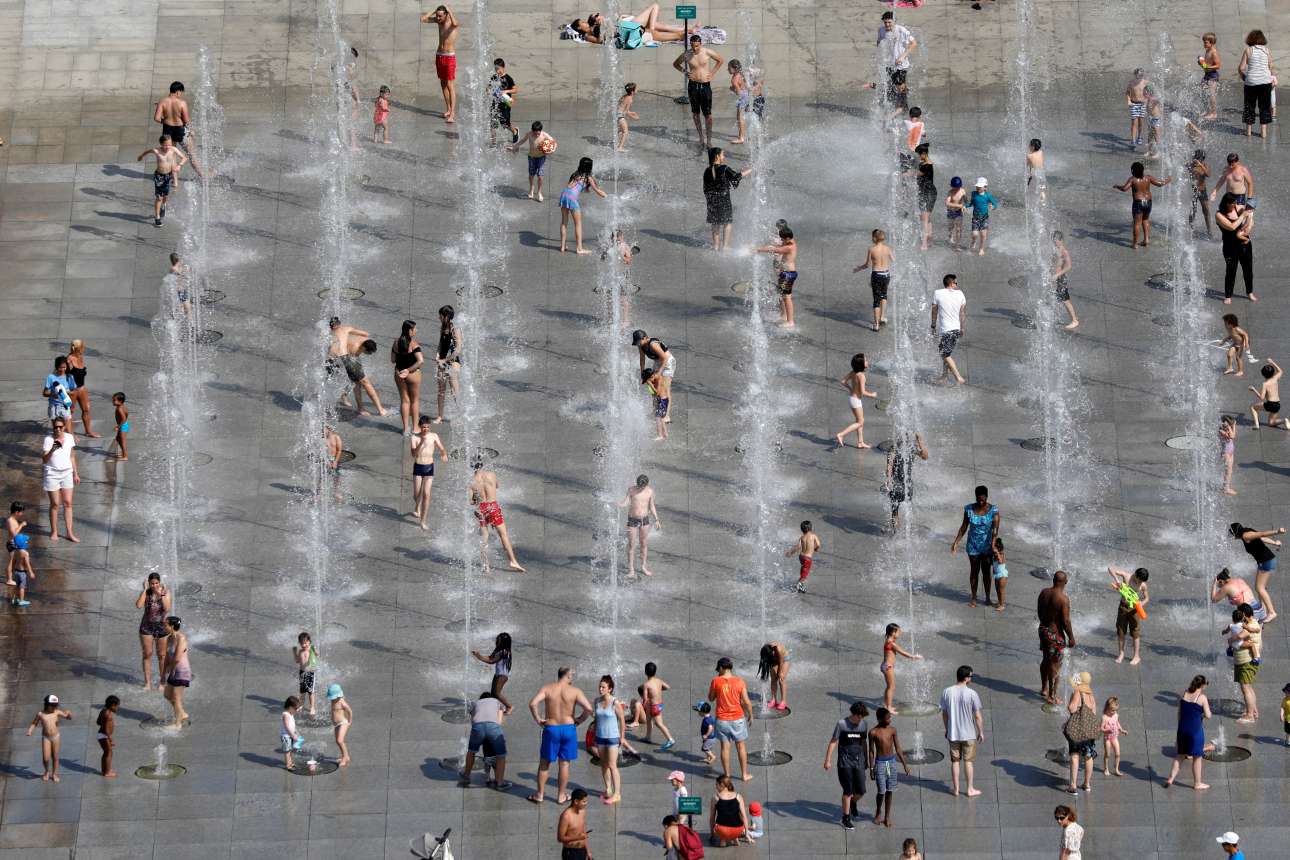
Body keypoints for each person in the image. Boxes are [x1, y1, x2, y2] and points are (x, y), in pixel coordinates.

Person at [528, 667, 593, 804]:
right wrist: (579, 720)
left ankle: (540, 795)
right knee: (564, 764)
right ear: (568, 675)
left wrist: (538, 719)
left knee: (544, 763)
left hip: (552, 728)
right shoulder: (575, 691)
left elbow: (533, 703)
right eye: (572, 675)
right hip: (569, 728)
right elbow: (588, 708)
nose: (572, 678)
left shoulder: (547, 688)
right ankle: (561, 796)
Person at [469, 457, 524, 572]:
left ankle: (486, 565)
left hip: (481, 509)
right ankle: (513, 561)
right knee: (503, 535)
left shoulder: (471, 482)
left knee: (484, 538)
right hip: (493, 507)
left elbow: (471, 502)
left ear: (471, 466)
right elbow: (497, 486)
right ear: (482, 464)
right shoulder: (491, 475)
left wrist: (476, 497)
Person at [951, 485, 1000, 607]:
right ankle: (973, 598)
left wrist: (993, 545)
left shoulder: (993, 511)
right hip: (973, 545)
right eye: (978, 499)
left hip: (987, 545)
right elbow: (964, 527)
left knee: (986, 572)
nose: (980, 502)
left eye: (983, 500)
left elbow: (995, 530)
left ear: (987, 497)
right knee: (974, 571)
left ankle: (987, 598)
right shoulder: (969, 509)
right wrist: (956, 542)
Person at [823, 701, 870, 830]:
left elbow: (863, 742)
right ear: (853, 714)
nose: (861, 719)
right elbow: (833, 741)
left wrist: (866, 759)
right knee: (848, 790)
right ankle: (846, 817)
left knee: (861, 791)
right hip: (845, 762)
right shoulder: (841, 724)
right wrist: (828, 760)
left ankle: (853, 802)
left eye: (863, 717)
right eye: (859, 716)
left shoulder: (864, 724)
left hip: (859, 761)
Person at [673, 34, 723, 151]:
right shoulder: (687, 54)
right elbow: (675, 64)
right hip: (693, 85)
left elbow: (720, 60)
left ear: (700, 44)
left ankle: (709, 140)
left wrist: (713, 72)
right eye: (692, 46)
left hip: (705, 86)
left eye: (696, 46)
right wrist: (685, 71)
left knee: (708, 115)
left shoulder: (707, 52)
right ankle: (701, 137)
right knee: (695, 113)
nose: (694, 48)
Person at [327, 318, 386, 416]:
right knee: (364, 382)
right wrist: (356, 338)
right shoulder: (346, 329)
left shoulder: (328, 334)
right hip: (344, 357)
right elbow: (366, 334)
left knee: (353, 381)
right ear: (340, 324)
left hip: (331, 360)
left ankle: (344, 396)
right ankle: (377, 409)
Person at [592, 675, 637, 803]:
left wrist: (622, 737)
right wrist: (594, 734)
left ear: (610, 689)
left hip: (612, 737)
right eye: (600, 686)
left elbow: (622, 720)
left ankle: (617, 794)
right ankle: (608, 789)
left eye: (603, 687)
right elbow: (597, 719)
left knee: (612, 765)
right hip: (600, 737)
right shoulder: (596, 701)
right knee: (603, 764)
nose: (600, 689)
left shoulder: (614, 702)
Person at [940, 665, 983, 797]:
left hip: (953, 733)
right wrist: (981, 732)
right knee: (968, 762)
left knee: (955, 761)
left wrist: (947, 729)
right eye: (971, 676)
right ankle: (970, 789)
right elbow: (977, 716)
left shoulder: (946, 692)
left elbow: (944, 714)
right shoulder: (972, 694)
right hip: (969, 734)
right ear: (966, 678)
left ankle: (956, 789)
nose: (971, 678)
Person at [708, 656, 753, 781]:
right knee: (741, 747)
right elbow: (747, 702)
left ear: (721, 668)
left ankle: (727, 775)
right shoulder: (739, 681)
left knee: (725, 748)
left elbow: (711, 698)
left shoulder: (716, 681)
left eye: (718, 669)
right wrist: (751, 715)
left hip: (722, 720)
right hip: (738, 719)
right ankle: (744, 775)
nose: (718, 671)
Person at [1165, 674, 1212, 790]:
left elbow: (1179, 713)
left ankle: (1170, 778)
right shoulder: (1202, 697)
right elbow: (1208, 715)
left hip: (1182, 729)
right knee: (1197, 757)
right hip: (1195, 732)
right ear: (1202, 685)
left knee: (1180, 756)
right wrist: (1202, 715)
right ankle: (1197, 783)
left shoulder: (1184, 693)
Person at [1231, 520, 1283, 621]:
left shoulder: (1246, 535)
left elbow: (1262, 534)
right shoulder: (1246, 533)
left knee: (1260, 588)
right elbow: (1261, 538)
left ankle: (1272, 612)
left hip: (1266, 561)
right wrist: (1275, 543)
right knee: (1260, 587)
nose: (1232, 536)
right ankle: (1263, 608)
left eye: (1232, 533)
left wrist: (1277, 532)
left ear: (1236, 533)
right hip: (1266, 560)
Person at [1038, 571, 1076, 705]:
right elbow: (1066, 621)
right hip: (1055, 635)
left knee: (1045, 659)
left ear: (1053, 580)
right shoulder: (1063, 599)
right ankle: (1052, 695)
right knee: (1055, 665)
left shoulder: (1044, 592)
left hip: (1043, 630)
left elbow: (1039, 612)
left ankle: (1044, 688)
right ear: (1065, 582)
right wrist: (1071, 637)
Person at [1113, 161, 1170, 249]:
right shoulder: (1148, 177)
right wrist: (1168, 179)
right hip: (1148, 202)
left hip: (1138, 203)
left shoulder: (1132, 179)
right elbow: (1160, 184)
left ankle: (1135, 244)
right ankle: (1146, 240)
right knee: (1146, 220)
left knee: (1137, 223)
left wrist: (1117, 186)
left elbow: (1124, 189)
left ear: (1133, 171)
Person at [867, 706, 909, 826]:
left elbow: (898, 748)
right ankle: (878, 811)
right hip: (880, 763)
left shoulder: (892, 730)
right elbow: (871, 751)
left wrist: (905, 764)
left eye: (890, 717)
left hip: (891, 763)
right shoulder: (873, 732)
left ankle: (887, 816)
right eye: (887, 718)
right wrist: (871, 768)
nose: (890, 720)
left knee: (890, 790)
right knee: (881, 791)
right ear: (880, 719)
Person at [702, 147, 750, 251]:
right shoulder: (724, 168)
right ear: (717, 156)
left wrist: (710, 200)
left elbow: (705, 188)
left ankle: (715, 246)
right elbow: (736, 177)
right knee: (727, 222)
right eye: (723, 155)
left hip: (712, 200)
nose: (724, 157)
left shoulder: (707, 170)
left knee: (715, 223)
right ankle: (725, 247)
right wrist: (750, 170)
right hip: (724, 200)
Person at [136, 134, 187, 227]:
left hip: (168, 176)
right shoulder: (156, 151)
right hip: (159, 176)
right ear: (161, 144)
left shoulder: (173, 149)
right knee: (159, 197)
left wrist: (179, 165)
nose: (168, 147)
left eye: (169, 144)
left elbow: (184, 158)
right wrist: (141, 156)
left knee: (165, 196)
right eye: (165, 145)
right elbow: (148, 151)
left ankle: (164, 205)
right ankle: (157, 217)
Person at [559, 157, 607, 255]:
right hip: (572, 199)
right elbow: (597, 190)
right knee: (578, 224)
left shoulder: (575, 174)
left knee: (564, 222)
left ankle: (563, 246)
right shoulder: (588, 178)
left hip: (564, 194)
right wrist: (608, 196)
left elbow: (571, 186)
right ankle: (579, 249)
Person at [41, 417, 79, 542]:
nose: (58, 429)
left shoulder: (69, 438)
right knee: (55, 504)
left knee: (68, 502)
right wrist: (53, 448)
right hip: (52, 474)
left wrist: (75, 473)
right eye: (55, 427)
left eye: (60, 427)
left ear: (64, 427)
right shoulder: (48, 439)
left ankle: (69, 532)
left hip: (67, 472)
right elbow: (44, 460)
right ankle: (54, 531)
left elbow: (72, 456)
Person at [153, 81, 202, 176]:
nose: (181, 95)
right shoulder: (182, 103)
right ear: (178, 91)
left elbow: (157, 118)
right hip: (180, 130)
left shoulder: (162, 102)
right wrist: (191, 131)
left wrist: (165, 121)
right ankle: (202, 175)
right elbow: (186, 121)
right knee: (192, 155)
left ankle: (171, 176)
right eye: (181, 92)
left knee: (171, 155)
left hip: (167, 130)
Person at [420, 6, 459, 122]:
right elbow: (423, 19)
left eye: (440, 16)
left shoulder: (451, 23)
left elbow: (456, 24)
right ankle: (448, 109)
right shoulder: (438, 21)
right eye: (437, 16)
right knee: (443, 83)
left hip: (449, 57)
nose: (438, 18)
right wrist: (434, 11)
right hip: (439, 55)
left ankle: (452, 113)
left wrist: (449, 11)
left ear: (446, 14)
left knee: (450, 84)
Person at [616, 474, 660, 577]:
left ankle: (643, 567)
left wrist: (657, 519)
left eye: (642, 487)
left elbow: (652, 506)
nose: (640, 489)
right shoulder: (631, 490)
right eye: (639, 486)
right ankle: (631, 570)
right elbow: (626, 502)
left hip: (644, 520)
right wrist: (620, 504)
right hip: (632, 520)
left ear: (646, 485)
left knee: (643, 544)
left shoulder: (650, 492)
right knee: (631, 545)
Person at [1062, 671, 1098, 795]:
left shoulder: (1078, 692)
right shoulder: (1090, 695)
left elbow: (1072, 708)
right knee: (1088, 755)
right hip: (1089, 729)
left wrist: (1073, 705)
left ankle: (1073, 786)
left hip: (1077, 729)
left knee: (1075, 755)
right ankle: (1086, 784)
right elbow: (1094, 712)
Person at [755, 225, 798, 328]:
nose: (781, 241)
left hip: (788, 274)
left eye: (782, 239)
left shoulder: (789, 247)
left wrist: (758, 249)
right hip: (786, 274)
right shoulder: (791, 241)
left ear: (787, 238)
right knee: (783, 297)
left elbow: (775, 250)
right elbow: (778, 245)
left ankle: (790, 321)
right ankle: (784, 316)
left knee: (787, 298)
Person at [885, 431, 928, 532]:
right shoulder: (906, 448)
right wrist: (920, 442)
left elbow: (889, 468)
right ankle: (901, 532)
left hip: (902, 484)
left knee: (897, 510)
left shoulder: (900, 448)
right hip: (903, 484)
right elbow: (925, 456)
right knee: (904, 509)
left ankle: (897, 532)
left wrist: (889, 480)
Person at [410, 416, 448, 530]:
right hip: (418, 467)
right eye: (423, 427)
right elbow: (413, 454)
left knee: (426, 494)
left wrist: (443, 453)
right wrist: (421, 442)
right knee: (417, 495)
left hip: (429, 467)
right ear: (419, 427)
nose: (425, 429)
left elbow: (442, 448)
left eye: (427, 427)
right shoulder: (414, 437)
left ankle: (423, 520)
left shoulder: (434, 436)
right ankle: (417, 506)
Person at [1216, 194, 1255, 304]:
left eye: (1235, 202)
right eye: (1232, 203)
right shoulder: (1219, 215)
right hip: (1230, 246)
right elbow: (1231, 227)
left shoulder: (1238, 208)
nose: (1234, 205)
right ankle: (1228, 296)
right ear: (1226, 203)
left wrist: (1250, 220)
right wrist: (1242, 216)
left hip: (1244, 244)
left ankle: (1250, 292)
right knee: (1231, 271)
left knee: (1248, 269)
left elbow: (1250, 217)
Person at [134, 572, 171, 687]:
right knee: (147, 654)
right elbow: (138, 605)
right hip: (146, 627)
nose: (154, 585)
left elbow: (167, 608)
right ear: (149, 583)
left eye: (156, 583)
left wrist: (161, 594)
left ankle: (162, 682)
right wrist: (145, 590)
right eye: (152, 583)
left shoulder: (165, 592)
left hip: (162, 627)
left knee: (162, 655)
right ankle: (147, 683)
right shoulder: (147, 592)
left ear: (159, 582)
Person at [853, 228, 893, 332]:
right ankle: (882, 317)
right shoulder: (887, 249)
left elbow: (867, 265)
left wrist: (858, 268)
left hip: (877, 275)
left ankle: (876, 325)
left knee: (876, 300)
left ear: (874, 238)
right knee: (884, 295)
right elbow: (893, 259)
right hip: (886, 274)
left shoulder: (871, 249)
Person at [834, 353, 877, 450]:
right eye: (865, 360)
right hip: (856, 401)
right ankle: (841, 434)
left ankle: (860, 443)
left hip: (852, 398)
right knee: (860, 422)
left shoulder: (853, 372)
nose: (867, 362)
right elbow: (863, 392)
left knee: (859, 421)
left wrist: (850, 389)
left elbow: (843, 381)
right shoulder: (861, 376)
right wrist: (872, 395)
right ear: (861, 364)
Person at [877, 12, 916, 118]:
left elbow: (914, 44)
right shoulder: (881, 30)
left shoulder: (902, 30)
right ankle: (903, 108)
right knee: (893, 86)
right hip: (889, 64)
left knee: (900, 87)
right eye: (885, 22)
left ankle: (902, 109)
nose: (887, 25)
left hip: (901, 65)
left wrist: (902, 57)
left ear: (894, 21)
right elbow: (879, 42)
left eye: (889, 22)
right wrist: (880, 56)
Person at [930, 273, 966, 385]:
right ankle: (944, 376)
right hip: (955, 329)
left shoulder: (937, 293)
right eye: (956, 282)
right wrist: (962, 328)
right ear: (951, 283)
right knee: (945, 352)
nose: (957, 284)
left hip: (946, 330)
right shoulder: (960, 294)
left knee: (945, 354)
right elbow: (962, 313)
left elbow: (934, 310)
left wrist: (933, 325)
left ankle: (958, 377)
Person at [26, 694, 72, 782]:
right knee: (46, 758)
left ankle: (54, 774)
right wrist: (30, 730)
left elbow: (68, 717)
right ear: (47, 705)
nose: (54, 707)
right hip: (46, 737)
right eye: (52, 706)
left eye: (55, 706)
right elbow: (34, 723)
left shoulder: (57, 712)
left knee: (55, 757)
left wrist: (69, 714)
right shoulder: (41, 714)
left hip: (55, 737)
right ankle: (47, 771)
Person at [390, 320, 425, 435]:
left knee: (404, 401)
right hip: (413, 374)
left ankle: (405, 429)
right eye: (415, 329)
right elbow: (420, 361)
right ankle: (415, 428)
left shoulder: (396, 342)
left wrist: (403, 365)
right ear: (410, 331)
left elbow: (393, 360)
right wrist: (409, 370)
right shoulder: (414, 344)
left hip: (399, 373)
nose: (416, 330)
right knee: (414, 401)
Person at [1108, 566, 1149, 664]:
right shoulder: (1126, 576)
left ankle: (1136, 656)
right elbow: (1110, 568)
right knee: (1121, 631)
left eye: (1141, 581)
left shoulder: (1143, 585)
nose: (1139, 583)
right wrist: (1117, 580)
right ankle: (1121, 654)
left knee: (1135, 632)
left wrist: (1141, 604)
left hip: (1135, 610)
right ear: (1135, 575)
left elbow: (1147, 598)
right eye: (1139, 580)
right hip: (1123, 607)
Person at [1238, 30, 1275, 137]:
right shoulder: (1267, 50)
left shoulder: (1248, 50)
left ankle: (1248, 131)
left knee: (1249, 106)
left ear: (1250, 39)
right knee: (1264, 106)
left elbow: (1241, 68)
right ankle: (1263, 132)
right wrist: (1271, 77)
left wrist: (1244, 77)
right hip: (1265, 82)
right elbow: (1271, 66)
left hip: (1251, 82)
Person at [633, 330, 675, 423]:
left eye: (639, 341)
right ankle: (656, 410)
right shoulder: (641, 346)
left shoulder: (653, 344)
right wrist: (642, 372)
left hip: (667, 363)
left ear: (644, 338)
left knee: (665, 388)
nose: (638, 344)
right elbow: (642, 358)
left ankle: (667, 416)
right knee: (654, 388)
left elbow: (665, 358)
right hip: (658, 362)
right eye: (636, 342)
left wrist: (659, 373)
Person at [429, 305, 462, 424]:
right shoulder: (442, 328)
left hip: (453, 362)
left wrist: (446, 360)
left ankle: (461, 415)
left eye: (440, 316)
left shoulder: (455, 329)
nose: (439, 317)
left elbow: (457, 350)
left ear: (446, 316)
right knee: (441, 390)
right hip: (442, 361)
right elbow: (440, 343)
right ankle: (440, 416)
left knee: (454, 390)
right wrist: (437, 355)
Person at [879, 623, 922, 713]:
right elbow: (903, 653)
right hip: (888, 667)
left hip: (885, 665)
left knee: (889, 687)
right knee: (891, 687)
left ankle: (887, 705)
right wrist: (915, 657)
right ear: (893, 632)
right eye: (899, 632)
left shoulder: (888, 640)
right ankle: (889, 707)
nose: (901, 633)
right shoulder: (891, 643)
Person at [509, 121, 556, 201]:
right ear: (532, 131)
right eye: (535, 133)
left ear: (541, 130)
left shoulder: (544, 135)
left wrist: (552, 150)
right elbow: (522, 141)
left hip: (541, 157)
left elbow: (554, 142)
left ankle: (539, 192)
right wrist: (514, 147)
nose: (537, 135)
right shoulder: (529, 134)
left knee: (540, 176)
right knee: (531, 175)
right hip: (531, 157)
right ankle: (531, 189)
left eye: (538, 133)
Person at [161, 615, 191, 726]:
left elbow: (177, 658)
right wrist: (163, 674)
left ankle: (178, 724)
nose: (164, 627)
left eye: (165, 625)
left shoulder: (181, 638)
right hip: (173, 672)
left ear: (172, 626)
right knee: (167, 694)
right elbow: (167, 658)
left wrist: (171, 670)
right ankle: (181, 713)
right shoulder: (169, 638)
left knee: (176, 697)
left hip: (182, 671)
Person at [471, 631, 513, 712]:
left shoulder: (504, 652)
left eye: (498, 640)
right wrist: (479, 656)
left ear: (503, 642)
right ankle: (495, 707)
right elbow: (490, 657)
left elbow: (492, 661)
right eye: (497, 639)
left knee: (497, 693)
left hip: (503, 675)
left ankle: (509, 706)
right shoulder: (499, 649)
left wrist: (479, 657)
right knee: (493, 693)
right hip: (498, 674)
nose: (496, 641)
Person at [65, 340, 99, 437]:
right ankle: (68, 434)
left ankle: (88, 431)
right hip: (73, 390)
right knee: (70, 412)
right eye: (83, 347)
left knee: (86, 409)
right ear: (78, 348)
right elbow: (62, 375)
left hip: (82, 388)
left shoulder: (80, 357)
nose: (84, 349)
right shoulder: (69, 360)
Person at [710, 774, 751, 846]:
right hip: (738, 830)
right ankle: (734, 838)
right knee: (732, 825)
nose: (715, 787)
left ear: (721, 784)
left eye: (716, 784)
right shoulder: (738, 796)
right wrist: (746, 834)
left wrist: (712, 834)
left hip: (722, 830)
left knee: (722, 832)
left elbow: (712, 818)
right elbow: (744, 816)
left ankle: (723, 840)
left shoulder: (716, 797)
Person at [6, 502, 34, 606]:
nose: (22, 513)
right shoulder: (10, 520)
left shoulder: (13, 519)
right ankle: (10, 579)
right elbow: (14, 534)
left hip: (15, 543)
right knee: (12, 562)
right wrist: (21, 525)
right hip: (12, 543)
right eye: (21, 512)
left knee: (14, 561)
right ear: (16, 512)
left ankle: (13, 576)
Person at [1050, 231, 1079, 330]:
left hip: (1061, 280)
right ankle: (1073, 317)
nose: (1054, 243)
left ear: (1061, 240)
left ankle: (1074, 320)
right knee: (1061, 299)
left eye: (1056, 241)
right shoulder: (1056, 250)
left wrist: (1057, 275)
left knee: (1065, 300)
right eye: (1053, 241)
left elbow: (1069, 266)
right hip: (1057, 279)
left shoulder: (1064, 252)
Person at [786, 519, 820, 593]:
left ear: (802, 530)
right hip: (808, 558)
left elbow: (797, 547)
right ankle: (799, 585)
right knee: (805, 575)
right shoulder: (813, 536)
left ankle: (800, 584)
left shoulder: (802, 537)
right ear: (811, 528)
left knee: (803, 570)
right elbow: (818, 544)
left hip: (801, 557)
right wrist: (816, 549)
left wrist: (790, 553)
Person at [489, 59, 518, 145]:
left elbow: (515, 90)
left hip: (505, 104)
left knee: (505, 124)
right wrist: (489, 91)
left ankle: (514, 131)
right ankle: (493, 143)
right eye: (495, 69)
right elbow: (488, 88)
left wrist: (506, 91)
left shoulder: (508, 78)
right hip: (495, 103)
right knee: (493, 123)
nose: (497, 71)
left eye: (498, 69)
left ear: (503, 67)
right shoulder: (494, 77)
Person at [1249, 359, 1284, 431]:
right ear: (1273, 373)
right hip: (1277, 404)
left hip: (1270, 404)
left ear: (1263, 375)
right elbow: (1280, 371)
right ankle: (1284, 420)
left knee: (1253, 407)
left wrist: (1253, 389)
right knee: (1271, 423)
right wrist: (1272, 362)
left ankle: (1256, 425)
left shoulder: (1265, 384)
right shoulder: (1275, 378)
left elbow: (1261, 398)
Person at [324, 683, 353, 767]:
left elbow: (350, 711)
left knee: (340, 741)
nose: (332, 699)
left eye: (333, 697)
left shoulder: (342, 702)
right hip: (336, 724)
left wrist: (349, 722)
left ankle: (344, 758)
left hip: (343, 723)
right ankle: (346, 756)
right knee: (338, 741)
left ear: (338, 695)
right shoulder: (333, 701)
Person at [42, 355, 76, 427]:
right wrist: (53, 394)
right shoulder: (51, 377)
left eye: (64, 367)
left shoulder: (69, 377)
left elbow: (74, 392)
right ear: (56, 367)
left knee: (68, 429)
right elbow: (44, 393)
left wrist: (66, 392)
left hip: (65, 405)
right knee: (57, 428)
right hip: (54, 406)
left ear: (67, 367)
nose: (62, 369)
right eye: (60, 367)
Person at [967, 178, 997, 256]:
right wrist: (965, 206)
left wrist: (993, 207)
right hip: (975, 217)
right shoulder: (974, 194)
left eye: (980, 187)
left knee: (983, 234)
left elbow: (995, 204)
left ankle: (981, 249)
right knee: (975, 234)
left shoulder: (988, 196)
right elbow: (971, 203)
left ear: (985, 187)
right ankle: (974, 241)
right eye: (977, 186)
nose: (977, 188)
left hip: (984, 218)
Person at [757, 642, 789, 711]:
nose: (773, 654)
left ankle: (783, 701)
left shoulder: (778, 649)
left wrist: (779, 673)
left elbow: (781, 663)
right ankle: (773, 700)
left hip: (784, 659)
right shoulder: (766, 650)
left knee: (781, 679)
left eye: (773, 654)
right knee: (773, 679)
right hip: (774, 660)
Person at [294, 631, 320, 717]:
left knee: (310, 692)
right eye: (301, 643)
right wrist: (294, 652)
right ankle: (301, 704)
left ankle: (312, 707)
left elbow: (317, 654)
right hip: (302, 673)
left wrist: (314, 650)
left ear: (309, 642)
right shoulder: (300, 651)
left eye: (305, 643)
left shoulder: (311, 649)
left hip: (310, 673)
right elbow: (297, 661)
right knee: (302, 691)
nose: (303, 645)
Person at [1101, 696, 1126, 777]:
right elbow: (1101, 728)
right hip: (1107, 738)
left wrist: (1121, 730)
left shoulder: (1116, 715)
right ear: (1107, 708)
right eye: (1112, 710)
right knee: (1107, 754)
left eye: (1115, 710)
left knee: (1118, 754)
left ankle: (1117, 769)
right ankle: (1106, 768)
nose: (1114, 712)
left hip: (1114, 737)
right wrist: (1106, 730)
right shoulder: (1104, 717)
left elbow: (1117, 723)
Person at [1198, 33, 1221, 119]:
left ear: (1212, 42)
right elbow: (1206, 66)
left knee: (1212, 94)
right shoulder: (1207, 51)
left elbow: (1218, 66)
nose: (1204, 44)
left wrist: (1207, 67)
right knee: (1202, 92)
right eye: (1203, 42)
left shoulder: (1214, 52)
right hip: (1207, 74)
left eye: (1206, 42)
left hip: (1213, 76)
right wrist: (1201, 63)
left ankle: (1214, 113)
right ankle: (1207, 110)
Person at [1190, 150, 1213, 237]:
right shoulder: (1191, 165)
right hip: (1194, 191)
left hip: (1203, 191)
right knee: (1193, 210)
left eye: (1200, 159)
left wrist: (1201, 165)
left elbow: (1208, 174)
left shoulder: (1205, 165)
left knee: (1206, 210)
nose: (1198, 160)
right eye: (1196, 158)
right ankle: (1191, 229)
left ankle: (1209, 230)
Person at [97, 694, 120, 778]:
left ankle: (104, 770)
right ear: (112, 705)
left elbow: (98, 722)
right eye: (117, 706)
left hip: (101, 734)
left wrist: (103, 723)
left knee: (106, 753)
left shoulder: (103, 711)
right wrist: (110, 739)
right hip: (104, 736)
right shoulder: (109, 715)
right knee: (109, 753)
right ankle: (107, 772)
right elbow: (106, 730)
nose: (117, 708)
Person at [1126, 68, 1149, 146]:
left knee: (1140, 122)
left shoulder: (1145, 82)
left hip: (1142, 104)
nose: (1139, 76)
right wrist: (1129, 101)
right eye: (1138, 75)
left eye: (1141, 75)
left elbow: (1150, 93)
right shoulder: (1131, 83)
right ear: (1135, 75)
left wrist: (1147, 101)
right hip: (1134, 104)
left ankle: (1139, 136)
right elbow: (1127, 92)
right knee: (1134, 122)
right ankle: (1133, 140)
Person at [281, 696, 303, 769]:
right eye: (295, 709)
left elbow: (292, 726)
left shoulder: (291, 714)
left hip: (290, 735)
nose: (296, 710)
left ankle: (291, 762)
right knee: (287, 751)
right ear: (290, 707)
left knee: (290, 750)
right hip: (286, 737)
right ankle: (288, 765)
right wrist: (293, 735)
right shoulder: (286, 715)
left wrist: (296, 732)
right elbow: (287, 727)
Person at [945, 176, 966, 250]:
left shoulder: (962, 191)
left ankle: (957, 245)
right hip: (951, 212)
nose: (957, 189)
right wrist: (959, 205)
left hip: (958, 212)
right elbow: (947, 203)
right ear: (951, 186)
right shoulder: (950, 193)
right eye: (955, 187)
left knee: (958, 229)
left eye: (958, 187)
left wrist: (964, 206)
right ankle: (950, 236)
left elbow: (965, 200)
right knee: (951, 227)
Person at [615, 83, 638, 150]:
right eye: (636, 89)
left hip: (618, 114)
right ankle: (620, 147)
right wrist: (635, 118)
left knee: (620, 130)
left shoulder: (625, 96)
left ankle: (618, 144)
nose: (637, 90)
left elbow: (622, 108)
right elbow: (626, 111)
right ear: (632, 91)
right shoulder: (630, 99)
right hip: (620, 116)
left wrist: (632, 112)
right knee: (625, 131)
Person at [1219, 415, 1238, 496]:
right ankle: (1226, 489)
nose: (1228, 426)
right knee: (1228, 471)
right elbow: (1232, 436)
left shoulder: (1227, 429)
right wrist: (1231, 427)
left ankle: (1226, 486)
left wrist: (1232, 426)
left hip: (1230, 452)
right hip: (1226, 453)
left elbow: (1233, 435)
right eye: (1228, 424)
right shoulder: (1221, 431)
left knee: (1230, 471)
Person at [990, 536, 1009, 611]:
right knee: (997, 590)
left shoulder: (1001, 555)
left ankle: (1002, 605)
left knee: (1001, 590)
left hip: (1002, 576)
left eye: (995, 551)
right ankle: (999, 602)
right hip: (997, 575)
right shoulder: (994, 556)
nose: (994, 552)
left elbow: (1000, 561)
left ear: (999, 549)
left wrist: (997, 553)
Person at [1026, 138, 1046, 204]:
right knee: (1042, 189)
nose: (1028, 146)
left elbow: (1027, 165)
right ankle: (1043, 203)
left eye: (1029, 145)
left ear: (1033, 147)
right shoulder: (1041, 152)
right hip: (1042, 173)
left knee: (1030, 190)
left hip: (1034, 174)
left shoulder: (1029, 156)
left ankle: (1031, 204)